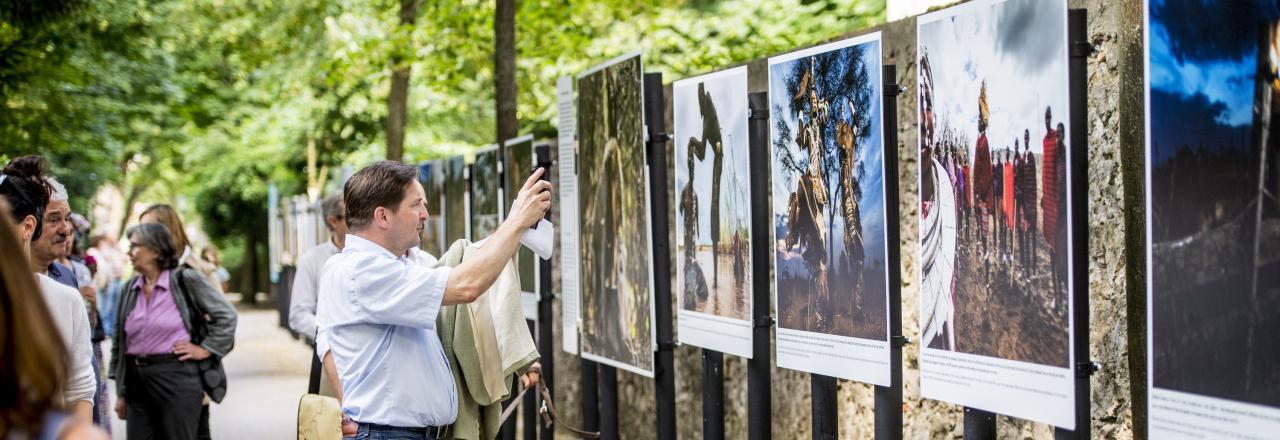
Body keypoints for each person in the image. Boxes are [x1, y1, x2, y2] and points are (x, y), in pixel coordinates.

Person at [316, 161, 550, 439]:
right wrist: (516, 222)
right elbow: (467, 285)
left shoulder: (397, 267)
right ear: (383, 216)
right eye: (416, 205)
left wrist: (515, 226)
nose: (425, 215)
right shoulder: (361, 272)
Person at [111, 223, 237, 440]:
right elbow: (118, 341)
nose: (129, 252)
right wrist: (121, 392)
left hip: (176, 376)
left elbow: (227, 315)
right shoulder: (129, 289)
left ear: (156, 251)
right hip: (136, 381)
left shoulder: (184, 279)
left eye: (134, 246)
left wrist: (204, 349)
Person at [0, 199, 108, 440]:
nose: (65, 229)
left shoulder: (62, 293)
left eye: (67, 219)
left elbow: (80, 387)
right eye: (54, 219)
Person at [288, 194, 347, 396]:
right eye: (352, 215)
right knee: (328, 422)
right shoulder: (312, 260)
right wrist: (335, 333)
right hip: (329, 358)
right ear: (333, 221)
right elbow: (298, 315)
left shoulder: (373, 256)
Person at [138, 204, 223, 294]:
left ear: (167, 229)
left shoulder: (202, 270)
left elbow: (220, 307)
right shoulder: (141, 267)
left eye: (148, 229)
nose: (141, 235)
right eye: (140, 229)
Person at [88, 234, 127, 335]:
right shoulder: (92, 252)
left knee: (108, 308)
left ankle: (106, 330)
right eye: (102, 242)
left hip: (105, 284)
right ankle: (101, 330)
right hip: (98, 286)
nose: (104, 244)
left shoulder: (101, 253)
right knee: (101, 309)